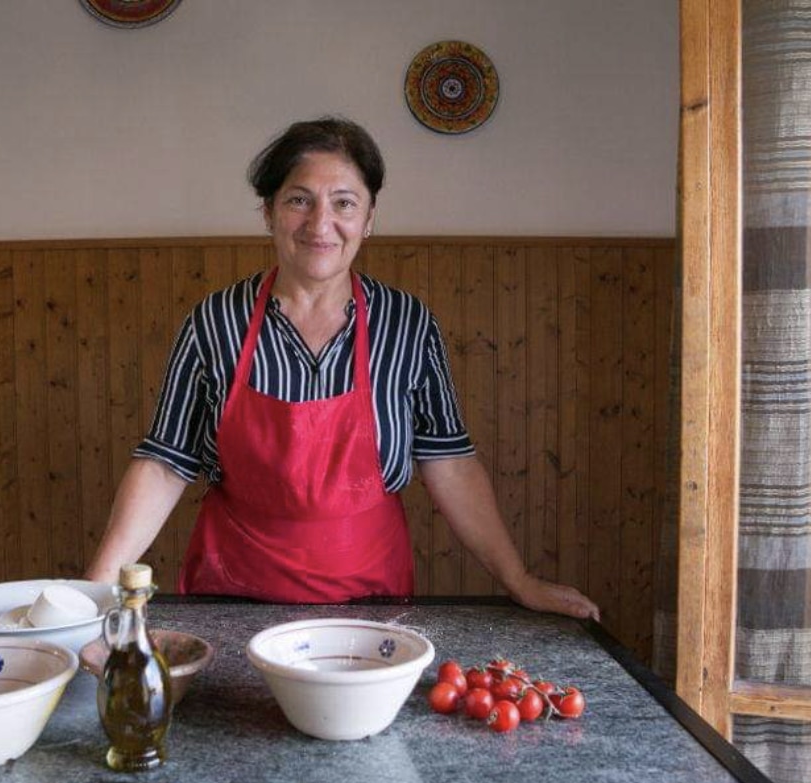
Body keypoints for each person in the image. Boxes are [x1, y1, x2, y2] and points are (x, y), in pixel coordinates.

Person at [84, 116, 599, 621]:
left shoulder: (407, 324)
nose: (320, 223)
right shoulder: (214, 321)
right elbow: (163, 462)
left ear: (369, 218)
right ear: (268, 212)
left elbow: (450, 462)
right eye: (298, 200)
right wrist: (95, 593)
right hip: (234, 600)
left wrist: (519, 580)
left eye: (344, 203)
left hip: (369, 604)